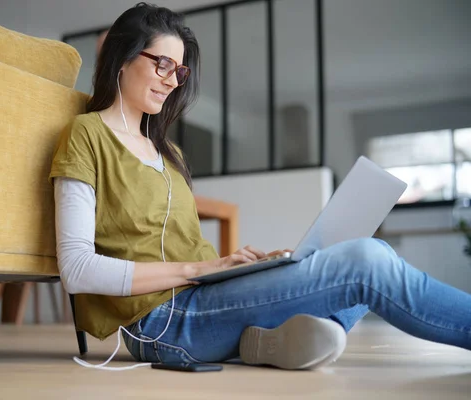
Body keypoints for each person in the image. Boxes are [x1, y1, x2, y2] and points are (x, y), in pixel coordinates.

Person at [49, 2, 471, 370]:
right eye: (162, 64)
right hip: (162, 323)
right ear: (122, 57)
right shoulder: (86, 134)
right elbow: (77, 268)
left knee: (370, 249)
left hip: (204, 297)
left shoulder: (165, 152)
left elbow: (181, 250)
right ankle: (296, 335)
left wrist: (235, 267)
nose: (173, 80)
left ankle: (278, 342)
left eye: (179, 71)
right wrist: (197, 270)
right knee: (365, 262)